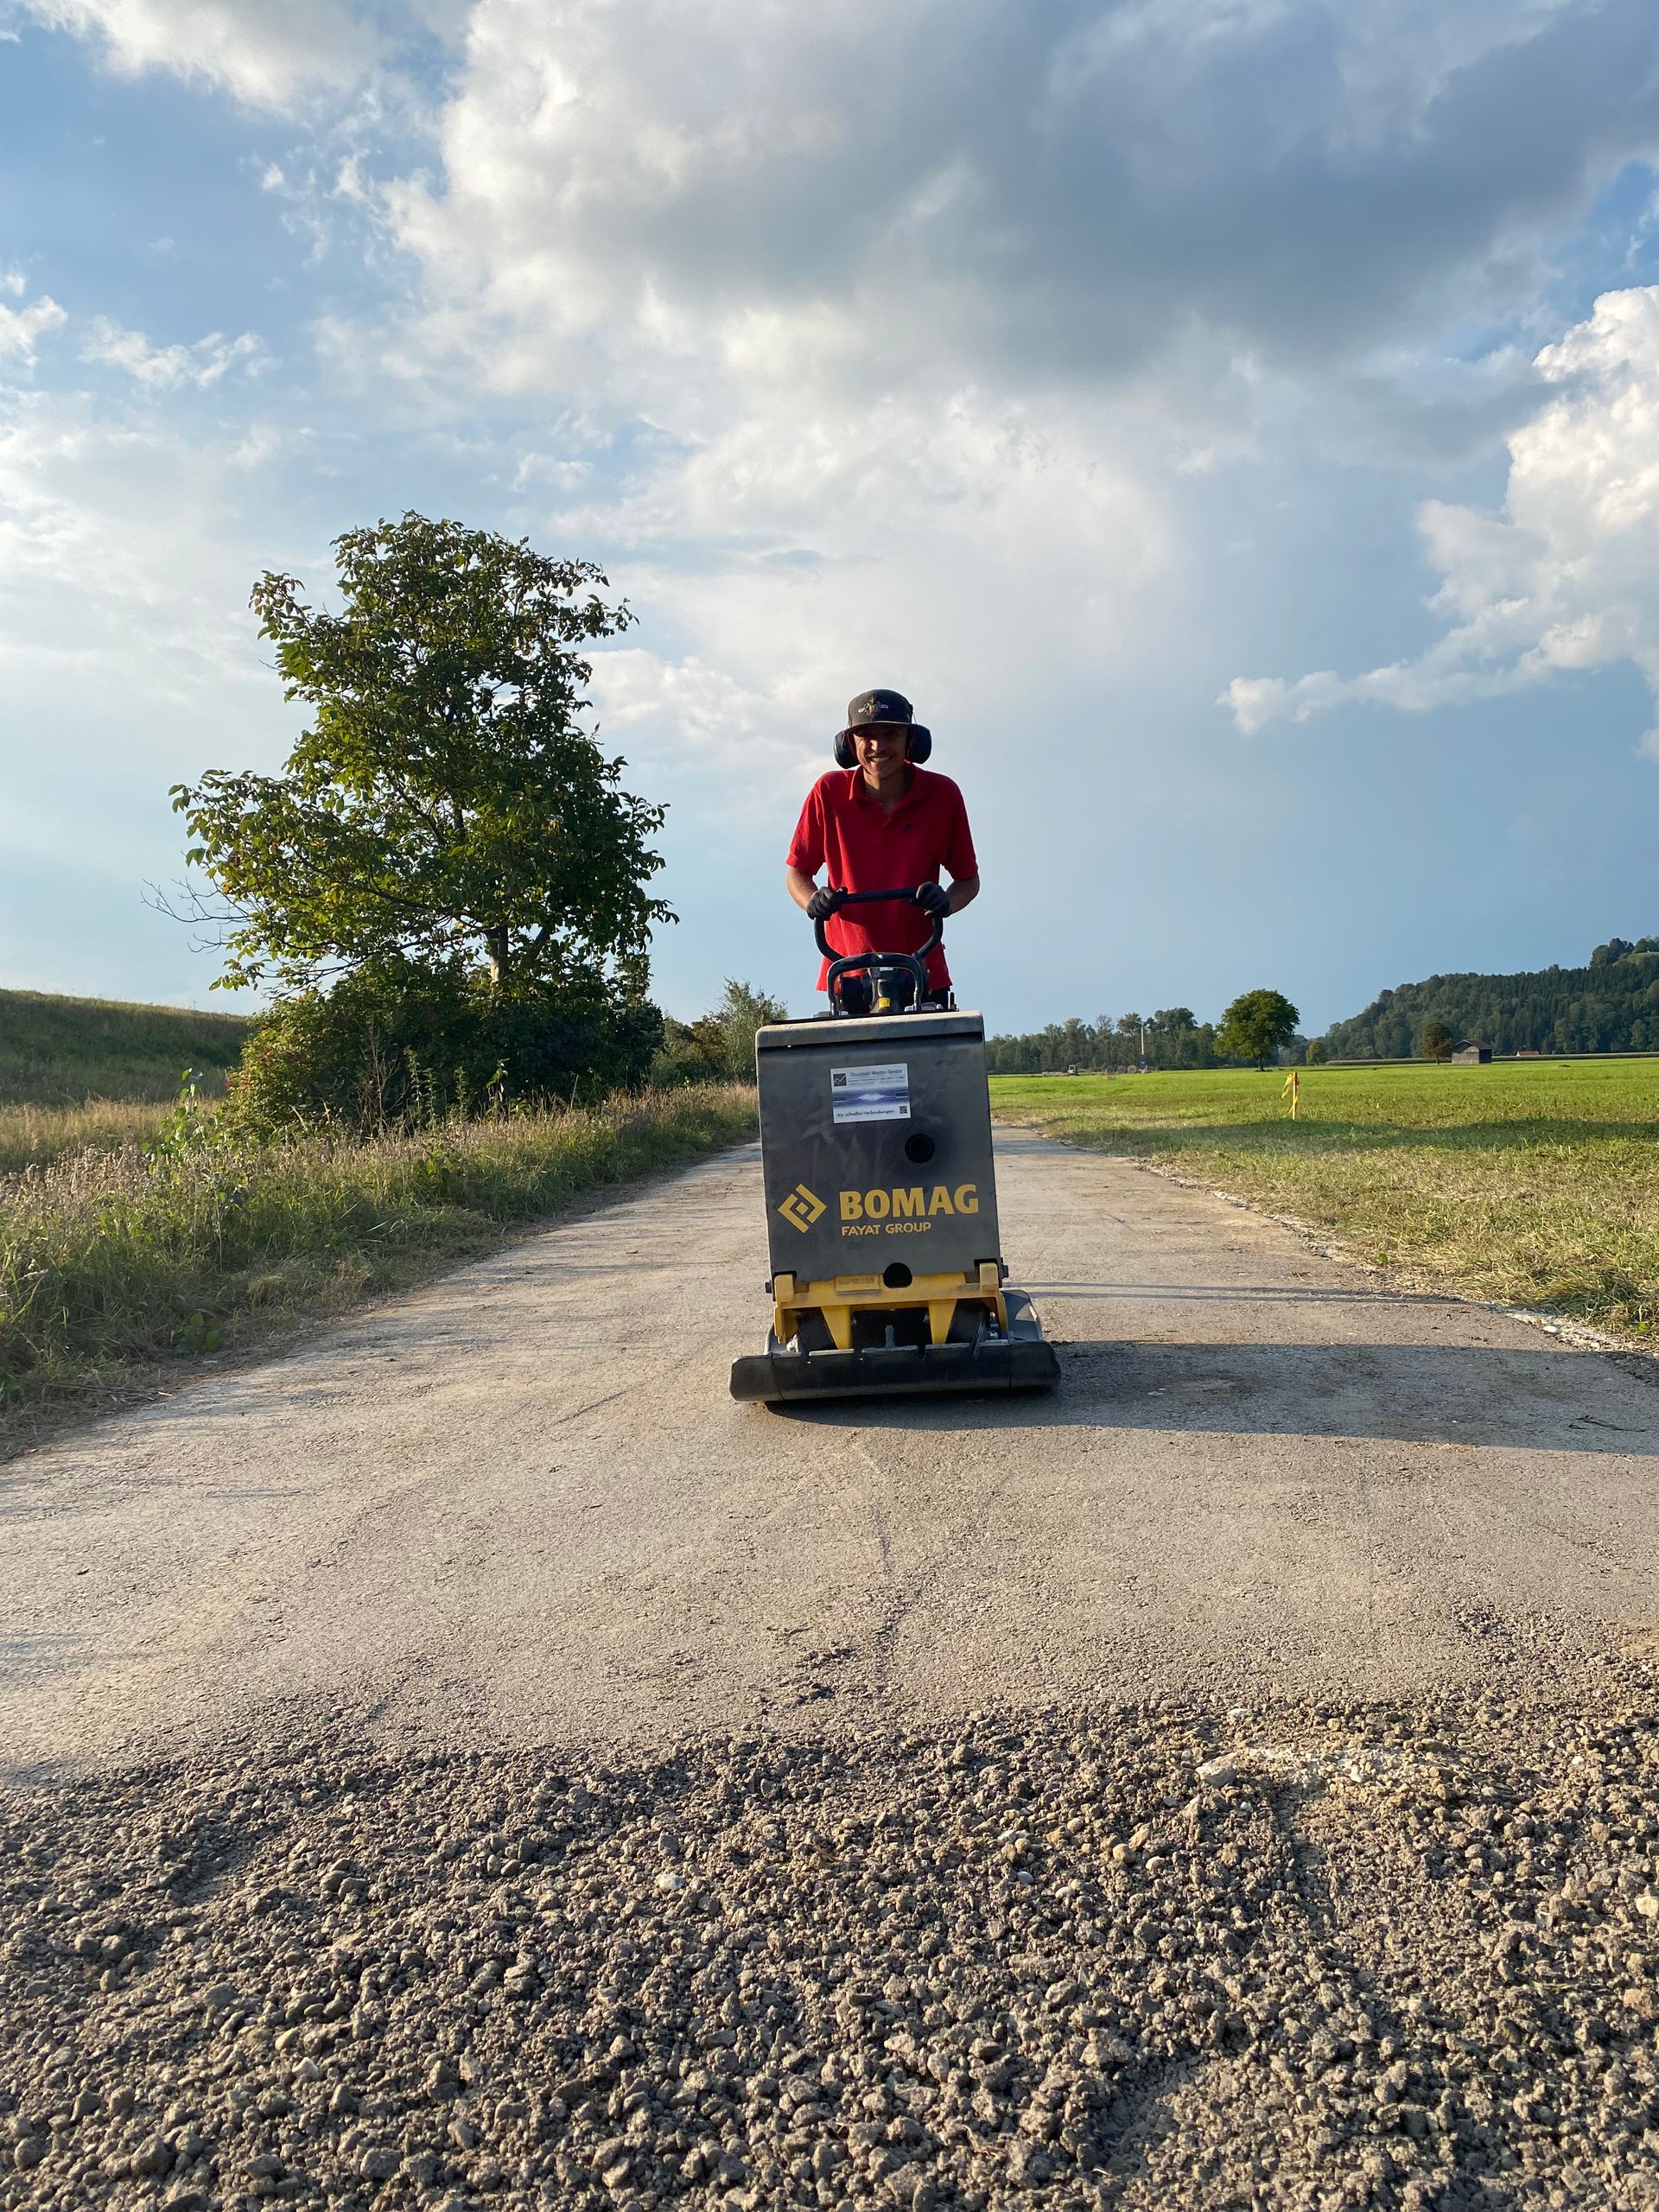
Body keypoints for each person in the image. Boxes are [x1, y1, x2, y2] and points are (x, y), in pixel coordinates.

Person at [785, 687, 980, 1008]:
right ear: (849, 744)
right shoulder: (828, 793)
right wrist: (813, 901)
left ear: (912, 741)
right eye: (866, 736)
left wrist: (944, 902)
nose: (878, 746)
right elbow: (797, 873)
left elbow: (968, 882)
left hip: (921, 970)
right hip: (847, 972)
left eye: (890, 734)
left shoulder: (942, 795)